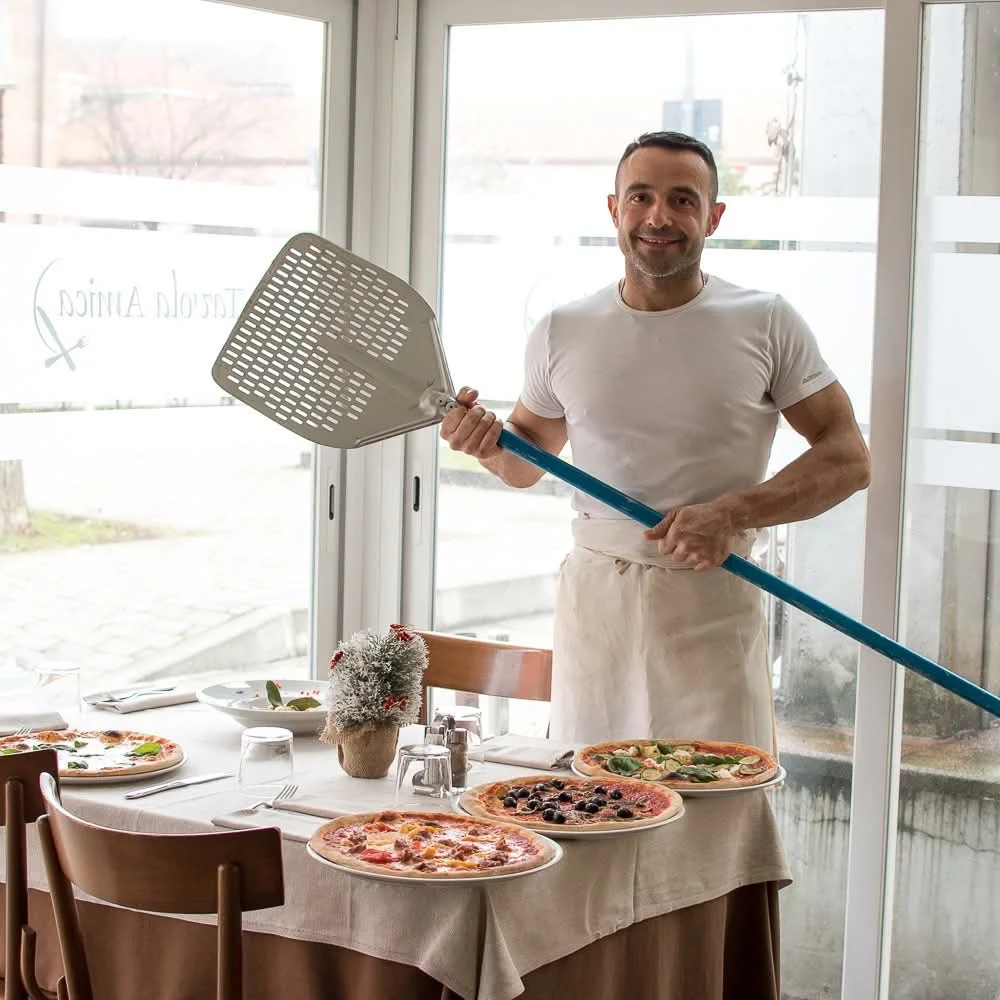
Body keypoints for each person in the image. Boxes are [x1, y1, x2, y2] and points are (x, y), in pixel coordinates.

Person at [439, 131, 871, 753]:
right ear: (614, 208)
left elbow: (848, 457)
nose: (658, 217)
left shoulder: (766, 320)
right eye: (640, 197)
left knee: (715, 791)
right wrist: (486, 444)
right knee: (592, 791)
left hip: (712, 599)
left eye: (682, 200)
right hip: (598, 609)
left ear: (713, 217)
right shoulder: (563, 330)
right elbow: (524, 461)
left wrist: (731, 513)